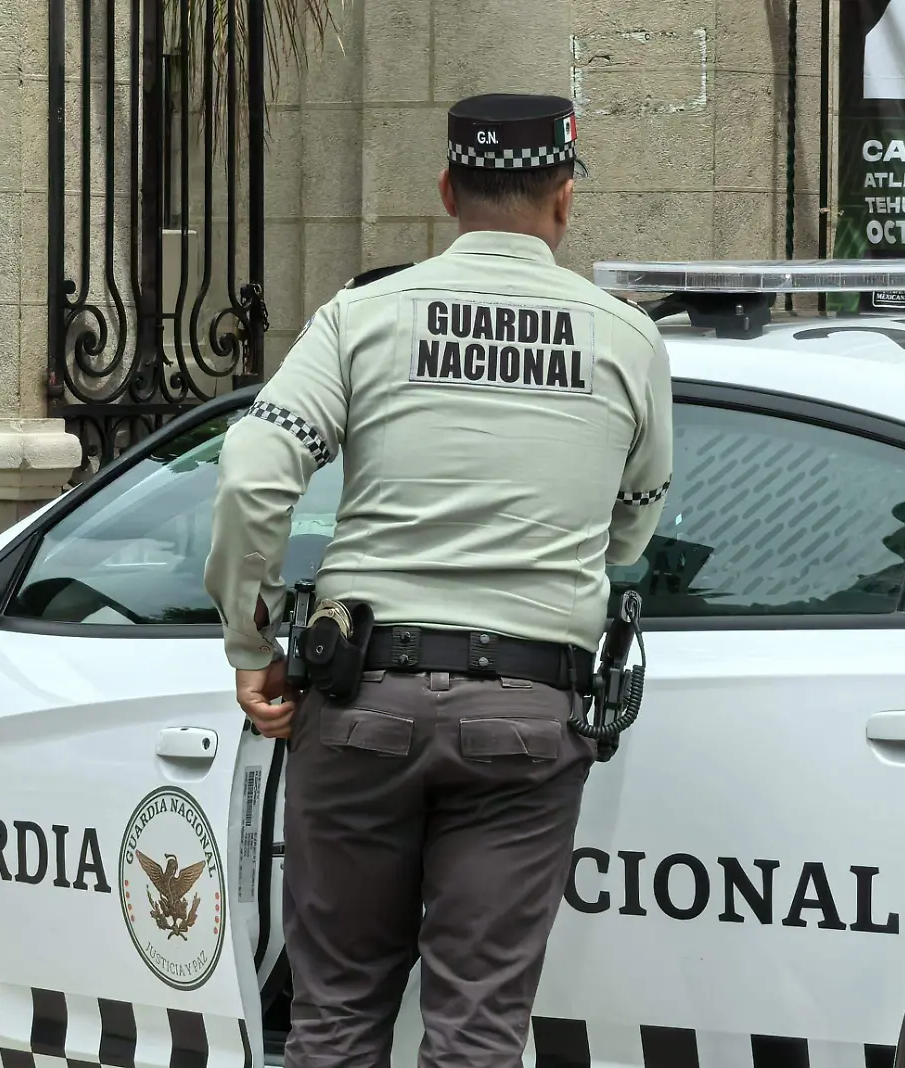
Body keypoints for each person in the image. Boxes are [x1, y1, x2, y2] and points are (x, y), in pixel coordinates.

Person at [203, 93, 673, 1066]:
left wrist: (252, 646)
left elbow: (253, 472)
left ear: (448, 189)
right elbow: (636, 518)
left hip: (361, 697)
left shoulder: (362, 316)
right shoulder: (625, 338)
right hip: (529, 709)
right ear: (565, 197)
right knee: (477, 1030)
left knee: (333, 1017)